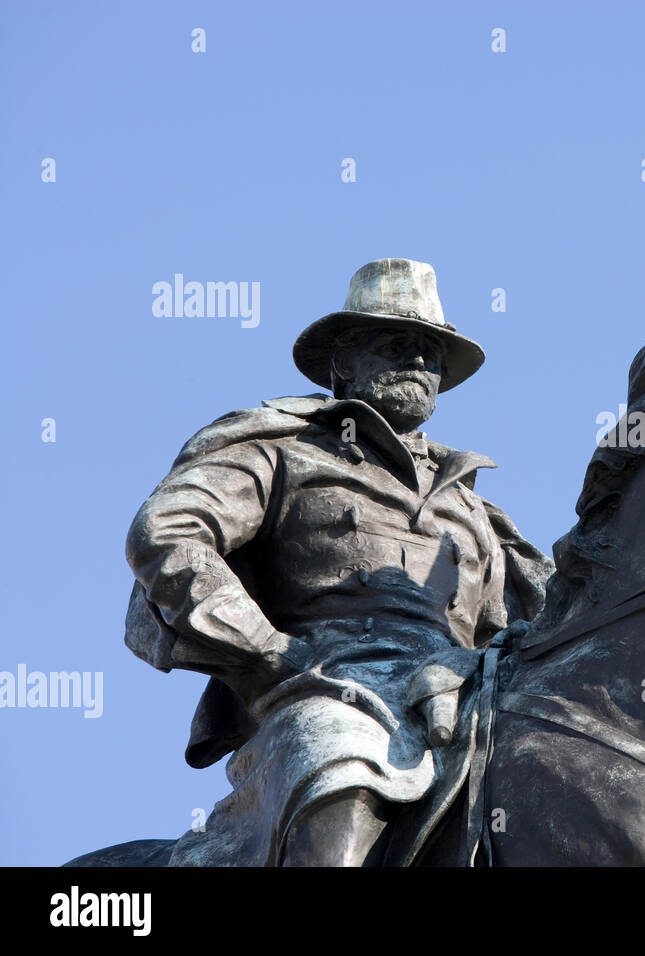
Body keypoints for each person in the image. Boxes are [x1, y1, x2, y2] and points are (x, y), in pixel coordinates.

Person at [123, 258, 551, 865]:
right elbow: (167, 532)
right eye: (398, 344)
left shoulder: (476, 509)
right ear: (343, 362)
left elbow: (544, 624)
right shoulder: (281, 451)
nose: (422, 363)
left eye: (433, 352)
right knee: (342, 766)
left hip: (460, 695)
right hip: (327, 687)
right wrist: (269, 650)